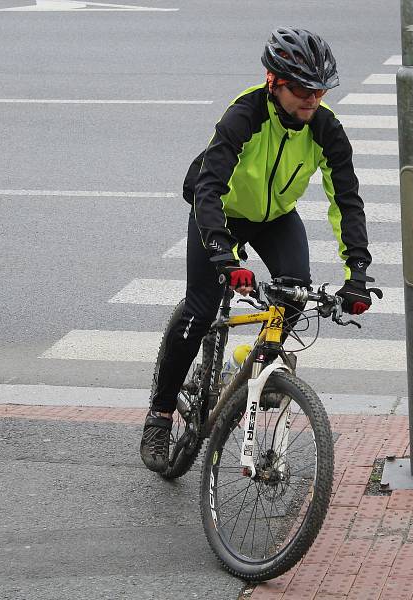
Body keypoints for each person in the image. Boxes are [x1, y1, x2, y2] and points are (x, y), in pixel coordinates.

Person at [140, 27, 376, 473]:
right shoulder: (244, 115)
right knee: (200, 310)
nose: (313, 98)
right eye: (303, 89)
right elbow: (208, 187)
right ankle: (161, 412)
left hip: (274, 219)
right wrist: (223, 255)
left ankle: (248, 365)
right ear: (274, 81)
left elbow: (346, 200)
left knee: (295, 292)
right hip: (221, 211)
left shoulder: (326, 127)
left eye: (320, 89)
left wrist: (357, 273)